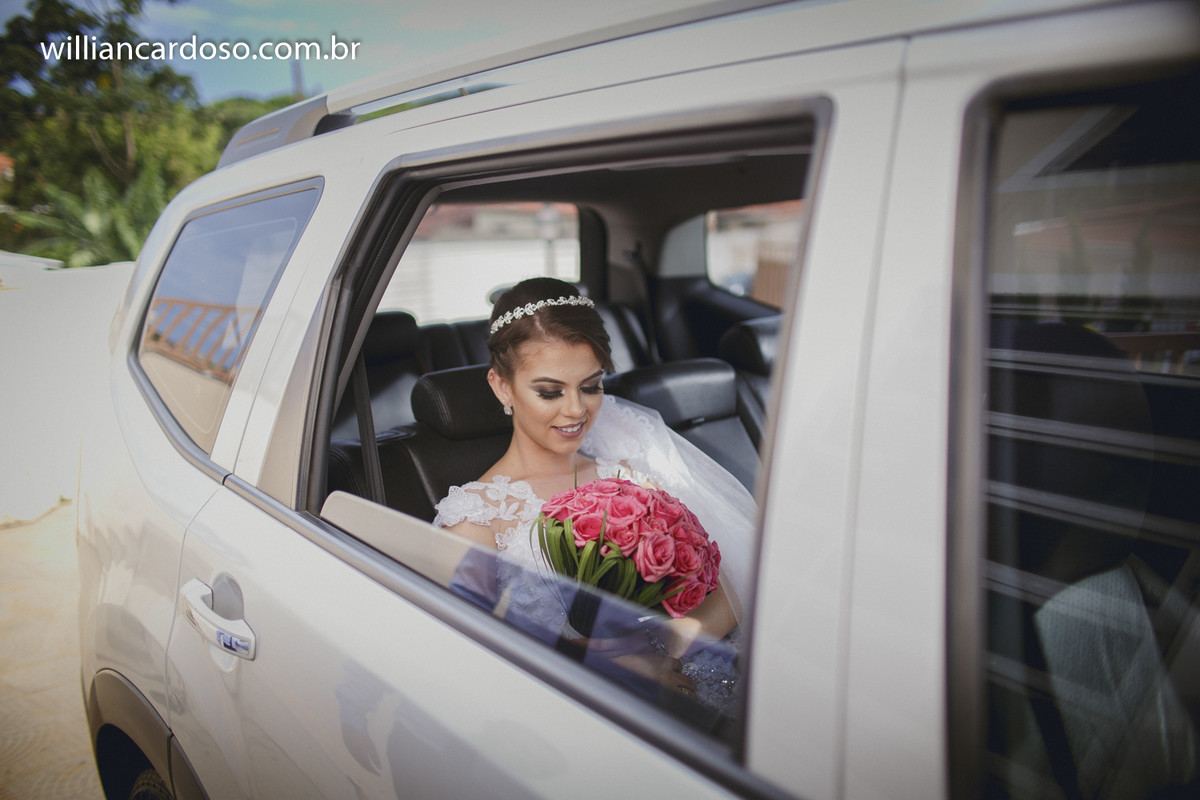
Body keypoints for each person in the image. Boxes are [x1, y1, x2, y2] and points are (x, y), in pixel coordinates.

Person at [433, 277, 755, 709]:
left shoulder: (627, 474)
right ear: (501, 386)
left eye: (591, 386)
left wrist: (664, 649)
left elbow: (728, 581)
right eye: (550, 392)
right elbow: (472, 660)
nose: (576, 410)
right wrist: (615, 667)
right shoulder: (475, 520)